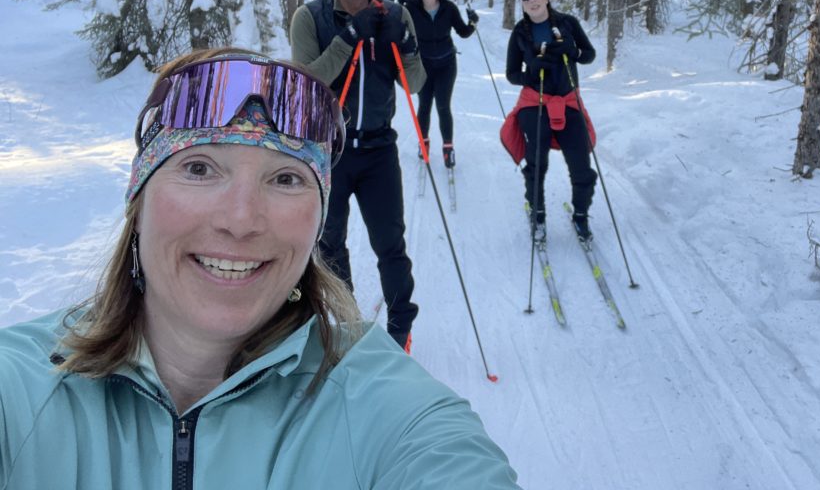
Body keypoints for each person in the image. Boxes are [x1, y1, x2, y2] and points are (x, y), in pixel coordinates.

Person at [0, 48, 521, 488]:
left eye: (287, 179)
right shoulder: (21, 388)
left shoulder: (385, 407)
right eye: (199, 168)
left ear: (317, 220)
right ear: (139, 199)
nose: (241, 220)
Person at [290, 0, 425, 351]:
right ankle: (345, 324)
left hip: (380, 148)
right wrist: (349, 38)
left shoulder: (395, 15)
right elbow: (307, 83)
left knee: (391, 243)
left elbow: (417, 83)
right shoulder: (309, 17)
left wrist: (401, 43)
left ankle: (400, 327)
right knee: (330, 244)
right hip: (329, 149)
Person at [500, 0, 598, 243]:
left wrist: (573, 50)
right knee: (537, 161)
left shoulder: (568, 23)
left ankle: (580, 216)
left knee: (581, 165)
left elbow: (589, 55)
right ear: (521, 4)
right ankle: (538, 213)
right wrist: (530, 74)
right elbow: (511, 74)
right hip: (535, 102)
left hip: (567, 100)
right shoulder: (520, 32)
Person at [402, 0, 479, 168]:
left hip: (446, 63)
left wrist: (473, 22)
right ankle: (424, 143)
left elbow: (463, 32)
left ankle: (448, 148)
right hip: (423, 64)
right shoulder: (410, 8)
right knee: (424, 105)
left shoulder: (448, 8)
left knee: (443, 106)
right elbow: (398, 31)